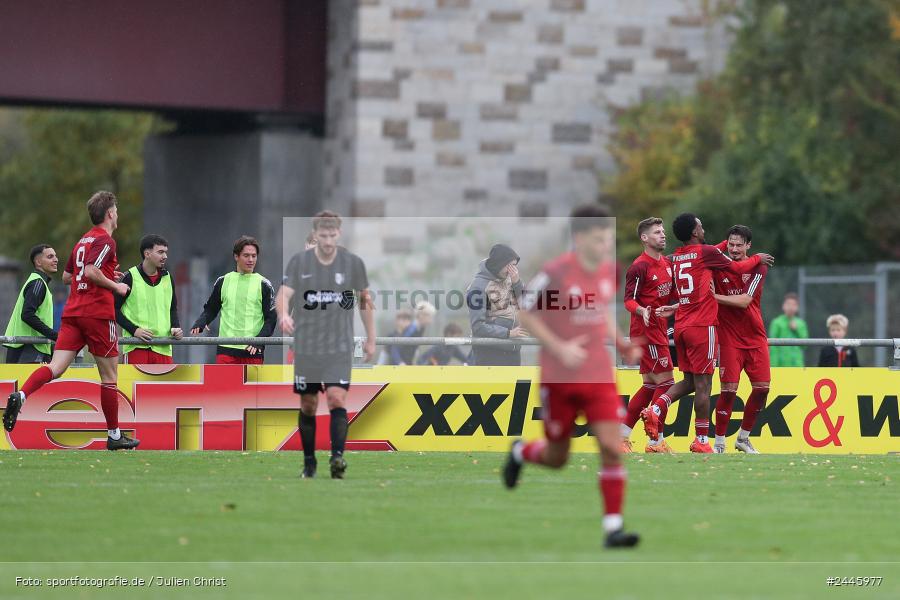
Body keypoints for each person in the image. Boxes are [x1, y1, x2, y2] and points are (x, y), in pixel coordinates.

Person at [502, 205, 643, 549]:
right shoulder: (556, 273)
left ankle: (613, 528)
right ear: (579, 239)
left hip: (598, 375)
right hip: (559, 378)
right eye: (599, 239)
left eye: (608, 239)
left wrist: (621, 343)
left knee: (611, 447)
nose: (605, 246)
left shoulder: (608, 272)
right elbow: (526, 313)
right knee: (557, 457)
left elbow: (601, 313)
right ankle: (521, 452)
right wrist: (560, 347)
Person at [4, 191, 138, 450]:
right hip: (98, 314)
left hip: (73, 313)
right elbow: (90, 271)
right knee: (110, 377)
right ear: (110, 213)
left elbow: (69, 277)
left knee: (55, 367)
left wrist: (107, 274)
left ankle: (21, 395)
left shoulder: (82, 241)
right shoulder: (105, 240)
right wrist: (115, 286)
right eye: (117, 210)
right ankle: (114, 436)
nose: (117, 215)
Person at [642, 213, 773, 453]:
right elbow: (738, 266)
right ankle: (703, 441)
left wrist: (729, 242)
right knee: (704, 386)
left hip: (681, 326)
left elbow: (712, 255)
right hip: (703, 327)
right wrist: (756, 258)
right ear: (695, 232)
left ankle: (658, 407)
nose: (704, 228)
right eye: (700, 226)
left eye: (737, 244)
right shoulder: (707, 254)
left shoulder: (680, 256)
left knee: (690, 382)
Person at [279, 211, 376, 479]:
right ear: (315, 234)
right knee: (308, 405)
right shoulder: (300, 263)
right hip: (308, 348)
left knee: (336, 399)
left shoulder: (352, 264)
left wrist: (371, 338)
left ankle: (337, 458)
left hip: (339, 347)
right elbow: (283, 295)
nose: (328, 240)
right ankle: (309, 463)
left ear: (338, 234)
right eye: (323, 235)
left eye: (332, 235)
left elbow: (365, 300)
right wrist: (283, 314)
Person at [711, 225, 769, 454]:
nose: (734, 249)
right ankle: (719, 442)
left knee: (762, 389)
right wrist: (721, 247)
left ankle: (743, 438)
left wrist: (713, 296)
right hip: (729, 338)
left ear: (748, 246)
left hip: (755, 337)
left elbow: (745, 301)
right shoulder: (717, 264)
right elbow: (701, 255)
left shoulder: (759, 266)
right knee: (728, 391)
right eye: (730, 245)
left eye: (739, 245)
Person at [621, 218, 675, 454]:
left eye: (663, 232)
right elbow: (628, 300)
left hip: (660, 329)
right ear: (644, 238)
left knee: (650, 387)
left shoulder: (667, 263)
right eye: (656, 232)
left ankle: (622, 437)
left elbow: (668, 296)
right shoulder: (639, 267)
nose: (662, 235)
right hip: (646, 333)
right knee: (668, 383)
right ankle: (655, 442)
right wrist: (642, 310)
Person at [190, 235, 276, 364]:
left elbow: (271, 319)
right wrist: (201, 322)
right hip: (226, 350)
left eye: (254, 256)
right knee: (225, 385)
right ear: (236, 256)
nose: (251, 259)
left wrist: (259, 340)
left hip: (252, 350)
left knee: (250, 385)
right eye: (246, 255)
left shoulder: (264, 284)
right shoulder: (223, 281)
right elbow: (211, 309)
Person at [115, 234, 183, 364]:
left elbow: (172, 308)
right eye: (160, 252)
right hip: (136, 347)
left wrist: (176, 327)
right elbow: (113, 309)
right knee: (134, 385)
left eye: (166, 252)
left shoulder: (168, 277)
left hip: (163, 348)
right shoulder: (129, 277)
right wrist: (134, 330)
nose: (165, 256)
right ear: (147, 254)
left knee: (164, 385)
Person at [466, 244, 528, 366]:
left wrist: (517, 284)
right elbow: (478, 326)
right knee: (492, 386)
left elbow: (527, 306)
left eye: (515, 266)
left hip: (513, 350)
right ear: (499, 263)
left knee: (519, 386)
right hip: (490, 354)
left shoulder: (513, 280)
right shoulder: (477, 287)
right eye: (509, 266)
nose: (512, 270)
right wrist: (508, 333)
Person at [4, 244, 59, 363]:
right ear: (38, 262)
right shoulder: (37, 283)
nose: (56, 259)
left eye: (55, 256)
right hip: (28, 349)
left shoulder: (39, 283)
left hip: (32, 348)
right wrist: (55, 336)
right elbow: (27, 314)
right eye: (50, 257)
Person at [388, 301, 435, 365]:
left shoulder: (421, 328)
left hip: (407, 363)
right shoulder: (412, 328)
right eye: (429, 316)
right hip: (398, 365)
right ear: (421, 315)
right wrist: (400, 362)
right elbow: (395, 347)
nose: (431, 319)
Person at [768, 293, 808, 367]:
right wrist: (773, 365)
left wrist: (796, 329)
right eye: (788, 304)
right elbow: (772, 346)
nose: (791, 307)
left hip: (797, 365)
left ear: (797, 307)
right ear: (783, 306)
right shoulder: (776, 322)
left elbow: (805, 345)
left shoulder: (801, 324)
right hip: (780, 365)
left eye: (794, 304)